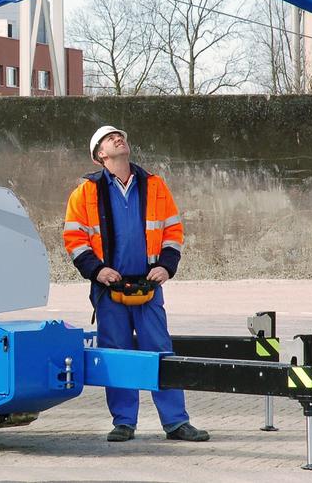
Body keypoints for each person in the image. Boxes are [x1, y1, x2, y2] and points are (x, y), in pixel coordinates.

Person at [63, 125, 209, 443]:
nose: (119, 138)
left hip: (148, 286)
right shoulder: (85, 192)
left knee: (160, 351)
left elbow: (172, 229)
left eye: (121, 136)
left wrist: (166, 267)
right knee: (116, 353)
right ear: (100, 154)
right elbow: (74, 239)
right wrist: (97, 270)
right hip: (109, 288)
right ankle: (124, 422)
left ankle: (175, 422)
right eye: (109, 138)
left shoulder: (154, 185)